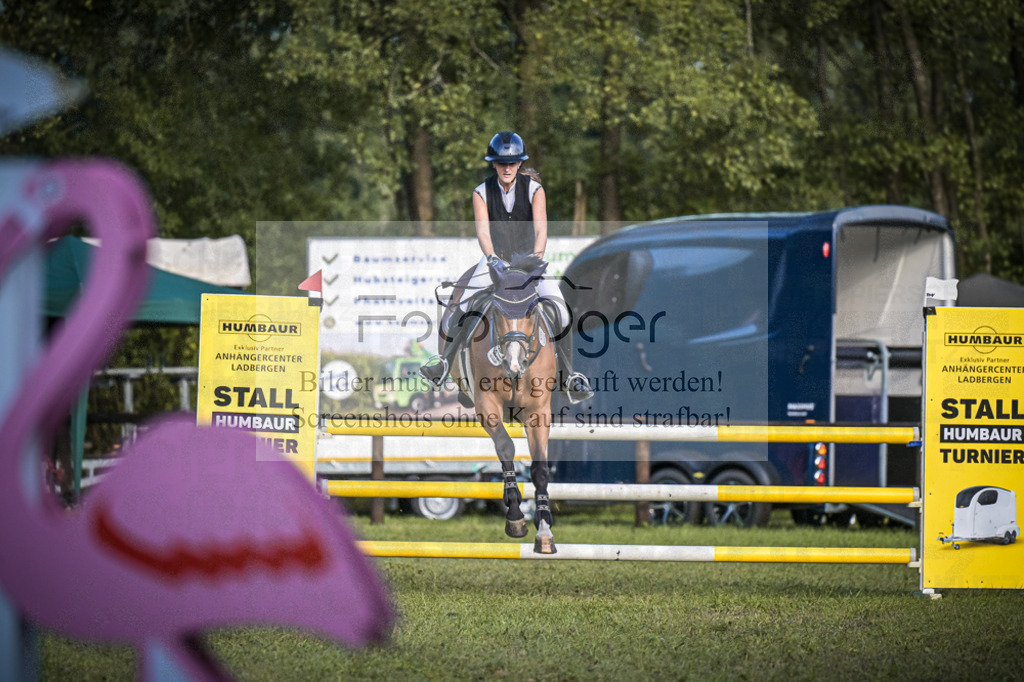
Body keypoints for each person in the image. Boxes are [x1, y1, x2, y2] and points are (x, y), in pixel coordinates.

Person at [419, 131, 594, 404]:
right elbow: (483, 233)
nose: (507, 168)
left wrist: (534, 261)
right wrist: (491, 259)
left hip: (528, 262)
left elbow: (541, 232)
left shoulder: (536, 190)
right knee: (462, 305)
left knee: (560, 309)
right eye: (502, 163)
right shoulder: (481, 192)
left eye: (512, 163)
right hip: (495, 259)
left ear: (520, 164)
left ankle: (570, 376)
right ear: (494, 164)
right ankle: (444, 364)